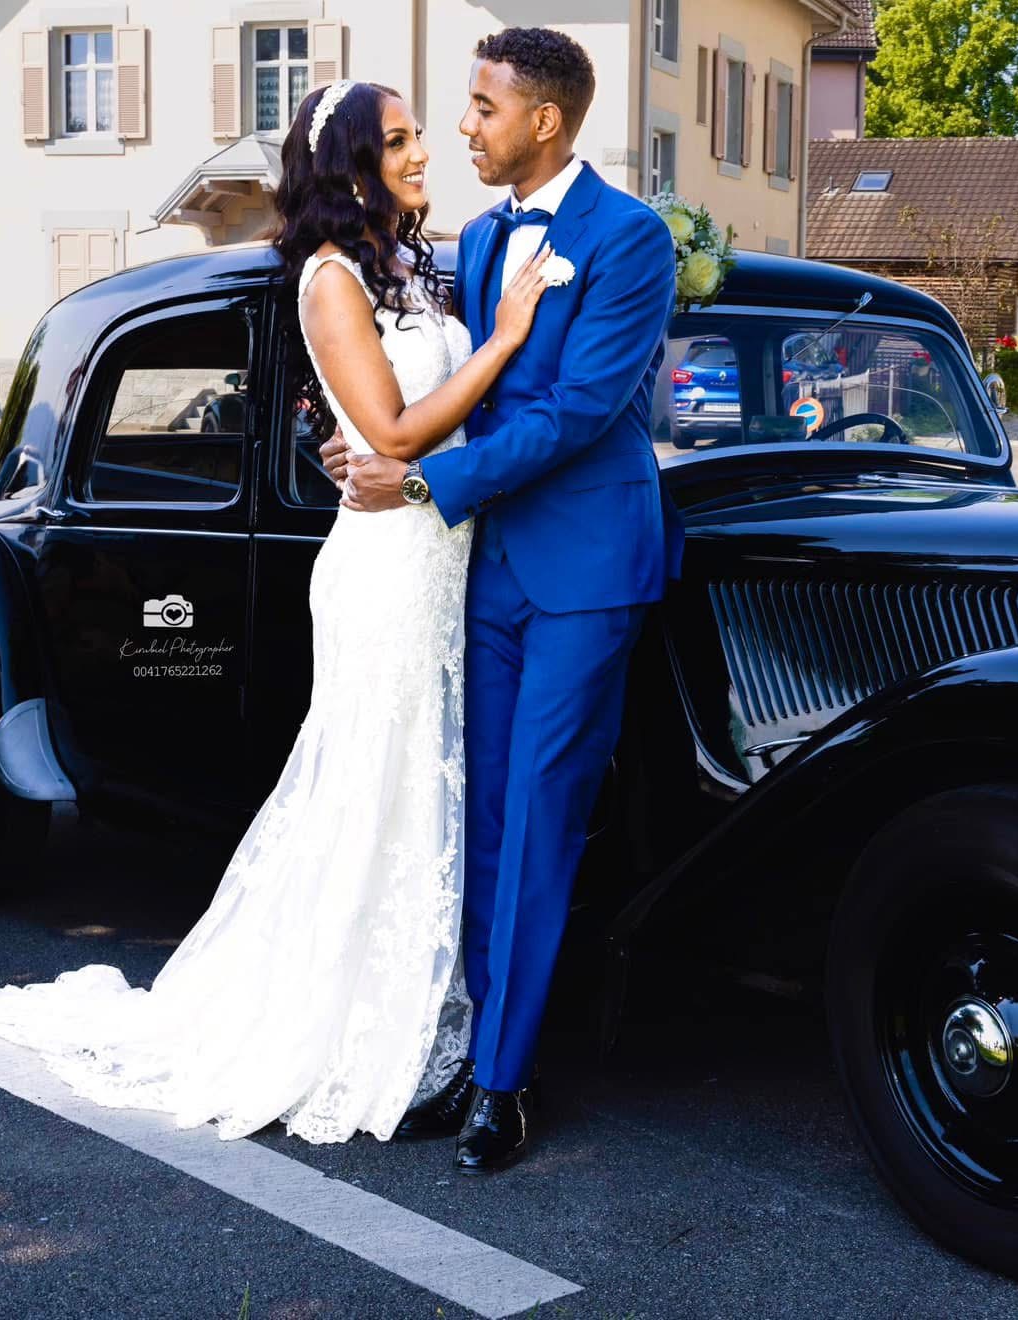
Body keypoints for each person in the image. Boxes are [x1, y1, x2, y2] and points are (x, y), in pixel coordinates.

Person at [0, 80, 554, 1146]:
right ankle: (375, 1033)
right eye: (403, 140)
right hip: (383, 569)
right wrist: (504, 339)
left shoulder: (408, 269)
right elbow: (393, 427)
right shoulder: (329, 277)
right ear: (353, 164)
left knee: (429, 789)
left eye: (422, 136)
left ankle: (428, 1018)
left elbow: (374, 431)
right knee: (380, 788)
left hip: (439, 556)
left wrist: (370, 430)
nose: (424, 153)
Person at [324, 27, 677, 1172]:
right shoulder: (476, 242)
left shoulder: (629, 242)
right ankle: (475, 1042)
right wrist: (348, 443)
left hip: (584, 573)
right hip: (483, 570)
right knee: (477, 815)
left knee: (537, 818)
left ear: (545, 121)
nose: (462, 127)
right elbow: (442, 384)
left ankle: (503, 1082)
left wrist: (422, 480)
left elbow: (579, 413)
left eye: (480, 107)